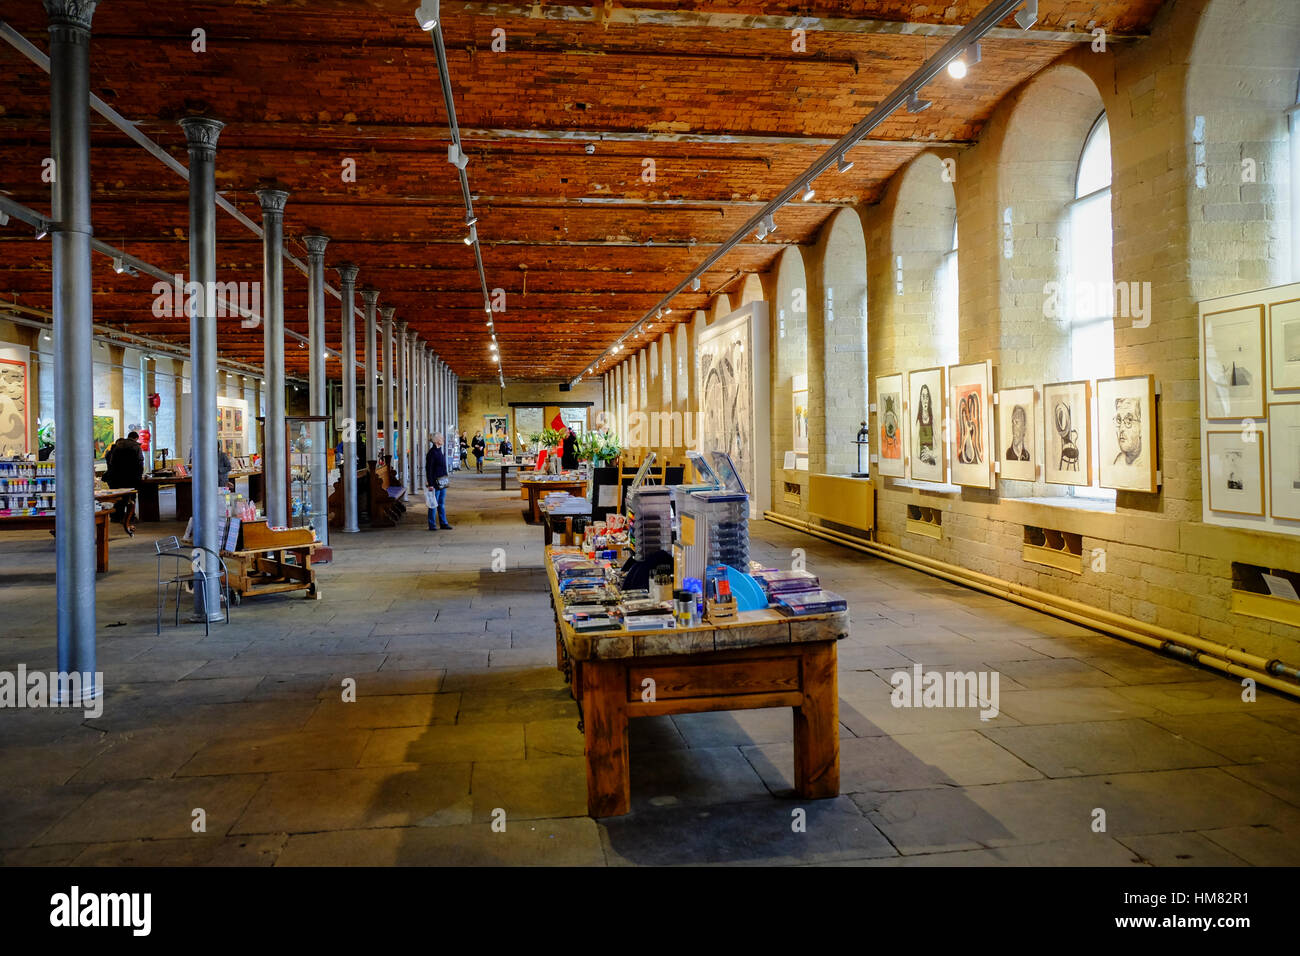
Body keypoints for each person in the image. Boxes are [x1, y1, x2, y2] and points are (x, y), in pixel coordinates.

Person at [104, 431, 145, 526]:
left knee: (119, 497)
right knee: (131, 497)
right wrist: (139, 477)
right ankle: (130, 517)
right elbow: (140, 462)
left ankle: (117, 517)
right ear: (136, 438)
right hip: (132, 476)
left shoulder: (118, 446)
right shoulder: (136, 447)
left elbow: (112, 462)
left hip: (118, 477)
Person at [425, 433, 452, 530]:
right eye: (441, 438)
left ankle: (443, 523)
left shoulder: (440, 451)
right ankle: (432, 525)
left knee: (441, 504)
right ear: (436, 440)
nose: (443, 439)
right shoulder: (432, 453)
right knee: (433, 504)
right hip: (435, 482)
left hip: (442, 481)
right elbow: (429, 469)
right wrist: (430, 484)